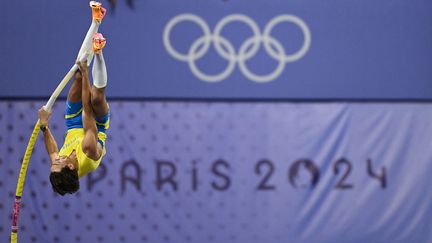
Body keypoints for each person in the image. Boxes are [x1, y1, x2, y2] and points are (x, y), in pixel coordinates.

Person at [38, 2, 109, 195]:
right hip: (96, 127)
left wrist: (44, 126)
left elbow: (53, 151)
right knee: (95, 98)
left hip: (73, 122)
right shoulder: (89, 153)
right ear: (70, 167)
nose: (55, 160)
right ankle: (99, 52)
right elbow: (87, 112)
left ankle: (96, 19)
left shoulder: (60, 163)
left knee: (76, 73)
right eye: (58, 163)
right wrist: (87, 75)